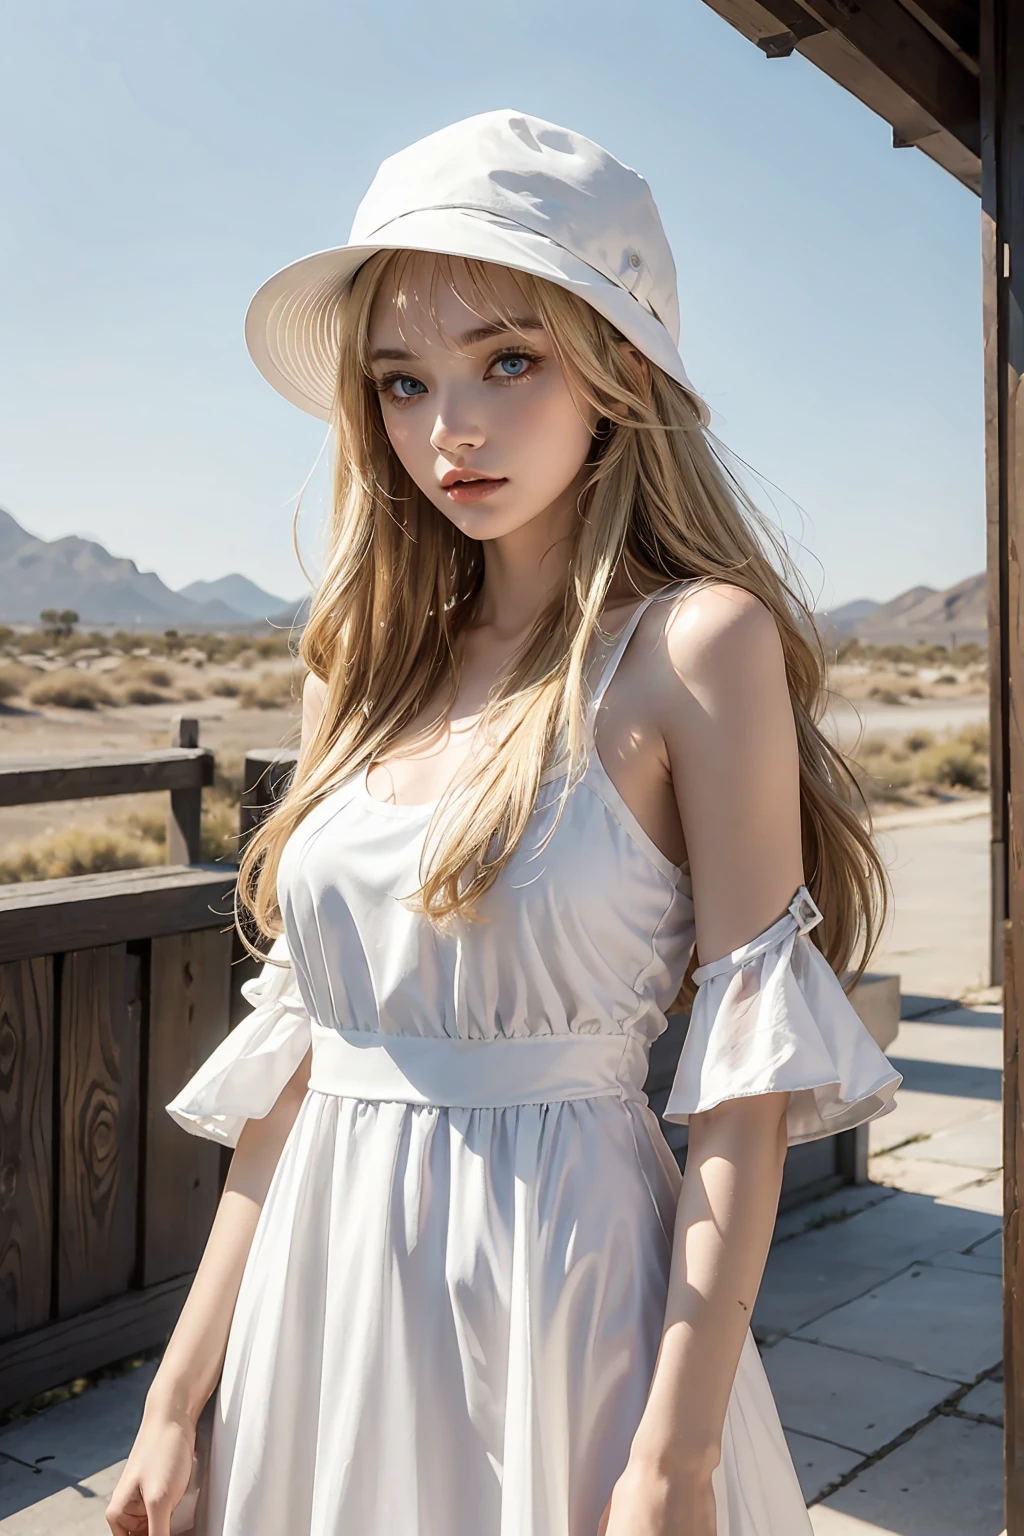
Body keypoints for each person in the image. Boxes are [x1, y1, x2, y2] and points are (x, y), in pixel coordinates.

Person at [106, 110, 903, 1536]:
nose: (448, 431)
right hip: (321, 1297)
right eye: (402, 383)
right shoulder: (354, 661)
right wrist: (177, 1399)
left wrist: (680, 1456)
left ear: (620, 370)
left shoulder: (697, 648)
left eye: (508, 362)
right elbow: (300, 1075)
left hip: (565, 1295)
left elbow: (744, 1089)